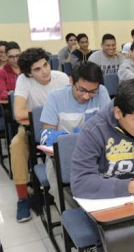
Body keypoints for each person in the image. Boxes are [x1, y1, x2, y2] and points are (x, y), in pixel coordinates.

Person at [10, 48, 69, 222]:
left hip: (61, 128)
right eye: (37, 69)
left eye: (45, 64)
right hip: (32, 128)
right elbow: (19, 114)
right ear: (29, 73)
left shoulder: (61, 78)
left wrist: (41, 114)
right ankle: (22, 198)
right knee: (16, 145)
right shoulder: (23, 80)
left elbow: (71, 108)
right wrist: (49, 116)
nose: (45, 71)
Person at [40, 61, 111, 206]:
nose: (86, 96)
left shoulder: (101, 92)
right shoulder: (55, 97)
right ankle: (71, 219)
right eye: (82, 90)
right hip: (62, 156)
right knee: (65, 197)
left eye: (92, 91)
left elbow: (108, 127)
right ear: (71, 81)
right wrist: (70, 139)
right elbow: (47, 135)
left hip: (96, 153)